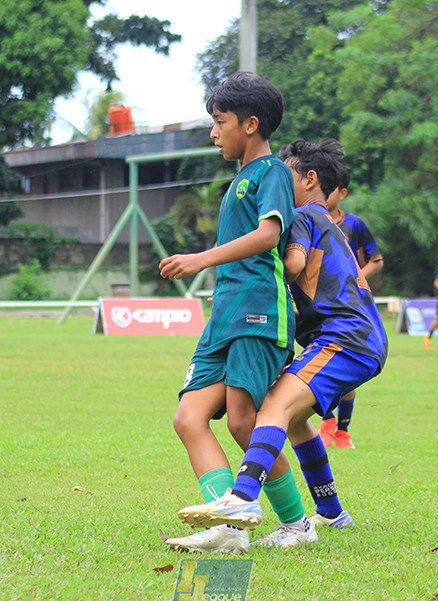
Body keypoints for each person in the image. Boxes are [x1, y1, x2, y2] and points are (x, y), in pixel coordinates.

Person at [175, 138, 388, 536]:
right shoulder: (327, 219)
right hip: (359, 339)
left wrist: (255, 277)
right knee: (292, 420)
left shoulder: (306, 212)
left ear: (309, 179)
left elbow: (292, 264)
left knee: (273, 404)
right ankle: (331, 512)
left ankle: (241, 497)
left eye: (285, 177)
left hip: (344, 338)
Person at [157, 72, 315, 554]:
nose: (213, 131)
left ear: (250, 124)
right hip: (224, 318)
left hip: (258, 314)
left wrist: (201, 259)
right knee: (189, 417)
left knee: (245, 423)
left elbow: (270, 236)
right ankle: (228, 528)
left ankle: (296, 524)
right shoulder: (239, 181)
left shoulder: (272, 174)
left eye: (219, 121)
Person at [318, 165, 384, 450]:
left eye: (328, 188)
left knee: (347, 374)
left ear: (341, 192)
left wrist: (354, 278)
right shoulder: (309, 221)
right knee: (317, 363)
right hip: (318, 305)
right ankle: (327, 422)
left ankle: (341, 430)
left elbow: (376, 260)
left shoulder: (354, 225)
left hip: (349, 304)